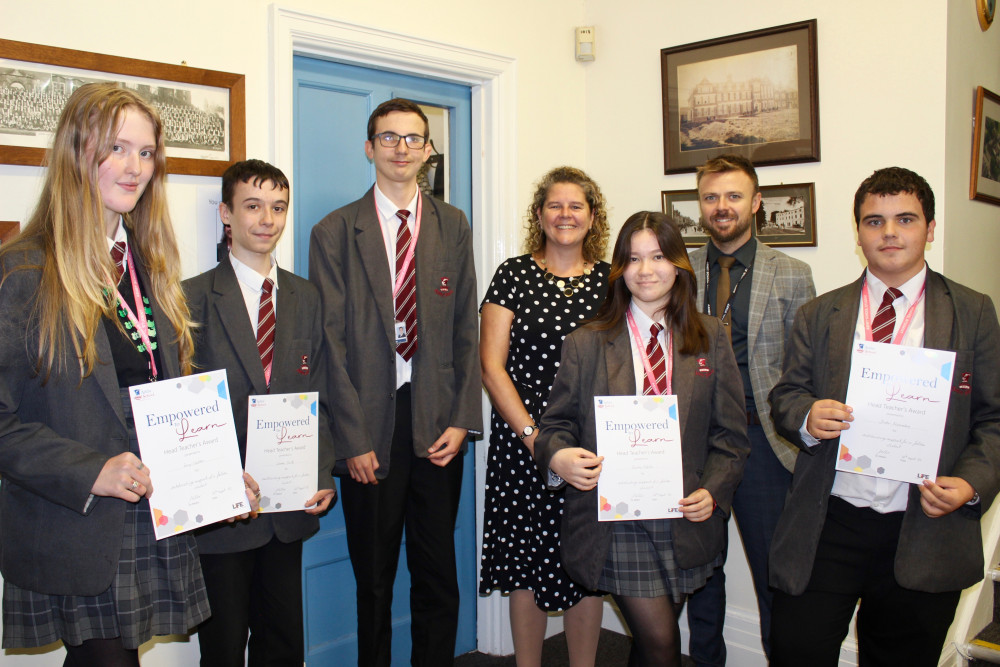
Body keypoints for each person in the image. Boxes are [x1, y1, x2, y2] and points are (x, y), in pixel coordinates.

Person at [0, 82, 244, 665]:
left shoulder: (147, 266)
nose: (136, 168)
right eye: (117, 148)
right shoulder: (25, 272)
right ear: (76, 153)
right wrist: (93, 472)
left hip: (149, 509)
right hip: (77, 520)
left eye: (147, 152)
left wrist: (220, 471)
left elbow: (165, 396)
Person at [767, 167, 1000, 666]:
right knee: (795, 650)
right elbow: (786, 396)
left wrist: (970, 483)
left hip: (922, 523)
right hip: (830, 519)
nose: (889, 232)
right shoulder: (819, 313)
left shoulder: (974, 311)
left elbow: (993, 419)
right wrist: (807, 416)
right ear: (859, 234)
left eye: (905, 219)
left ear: (929, 229)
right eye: (874, 221)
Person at [308, 97, 481, 666]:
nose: (402, 149)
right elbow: (329, 343)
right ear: (370, 147)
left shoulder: (452, 224)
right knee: (375, 580)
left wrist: (462, 419)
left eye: (413, 139)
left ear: (428, 151)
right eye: (389, 138)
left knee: (438, 573)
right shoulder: (334, 231)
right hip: (370, 428)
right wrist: (351, 440)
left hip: (437, 425)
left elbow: (465, 329)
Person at [534, 211, 750, 667]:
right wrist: (559, 458)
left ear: (679, 265)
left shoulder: (710, 336)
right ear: (619, 269)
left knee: (654, 641)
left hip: (684, 517)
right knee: (662, 644)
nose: (645, 270)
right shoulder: (587, 342)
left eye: (657, 256)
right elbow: (555, 428)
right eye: (633, 259)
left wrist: (712, 491)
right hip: (616, 521)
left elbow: (730, 436)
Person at [183, 159, 337, 666]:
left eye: (277, 208)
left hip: (287, 507)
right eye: (252, 206)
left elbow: (318, 394)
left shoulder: (305, 295)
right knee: (224, 648)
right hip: (224, 513)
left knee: (283, 645)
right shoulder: (190, 298)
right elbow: (182, 411)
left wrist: (320, 473)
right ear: (227, 214)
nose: (266, 219)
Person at [684, 154, 815, 664]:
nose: (722, 207)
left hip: (765, 446)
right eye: (712, 197)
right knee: (700, 570)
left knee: (773, 577)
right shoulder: (678, 271)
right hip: (696, 444)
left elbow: (806, 369)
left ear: (756, 203)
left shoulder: (792, 274)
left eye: (734, 196)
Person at [479, 166, 610, 667]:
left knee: (586, 562)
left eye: (576, 206)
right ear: (539, 215)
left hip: (588, 445)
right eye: (554, 205)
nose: (565, 215)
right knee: (526, 564)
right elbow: (491, 366)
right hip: (524, 443)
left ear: (592, 217)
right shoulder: (513, 274)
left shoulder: (610, 280)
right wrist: (536, 440)